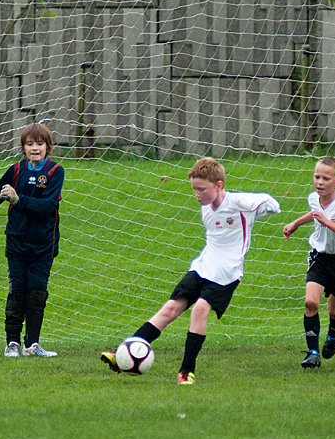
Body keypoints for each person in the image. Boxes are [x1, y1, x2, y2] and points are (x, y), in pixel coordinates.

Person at [101, 157, 280, 384]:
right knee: (170, 308)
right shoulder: (206, 209)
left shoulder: (238, 203)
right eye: (194, 189)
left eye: (202, 189)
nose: (197, 194)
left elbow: (271, 204)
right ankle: (122, 353)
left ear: (219, 185)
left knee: (199, 310)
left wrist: (264, 209)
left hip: (227, 274)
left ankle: (186, 371)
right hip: (203, 267)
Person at [0, 123, 64, 358]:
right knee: (17, 292)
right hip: (17, 242)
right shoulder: (17, 169)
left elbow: (48, 206)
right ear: (23, 147)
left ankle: (32, 345)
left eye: (39, 143)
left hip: (43, 244)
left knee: (37, 293)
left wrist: (18, 200)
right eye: (30, 144)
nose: (35, 148)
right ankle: (12, 343)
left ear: (48, 147)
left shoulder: (55, 171)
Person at [283, 157, 335, 369]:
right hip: (320, 257)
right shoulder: (314, 198)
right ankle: (312, 353)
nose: (320, 182)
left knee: (334, 311)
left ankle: (333, 337)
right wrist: (296, 223)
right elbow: (315, 213)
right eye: (317, 176)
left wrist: (327, 222)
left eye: (326, 178)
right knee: (311, 303)